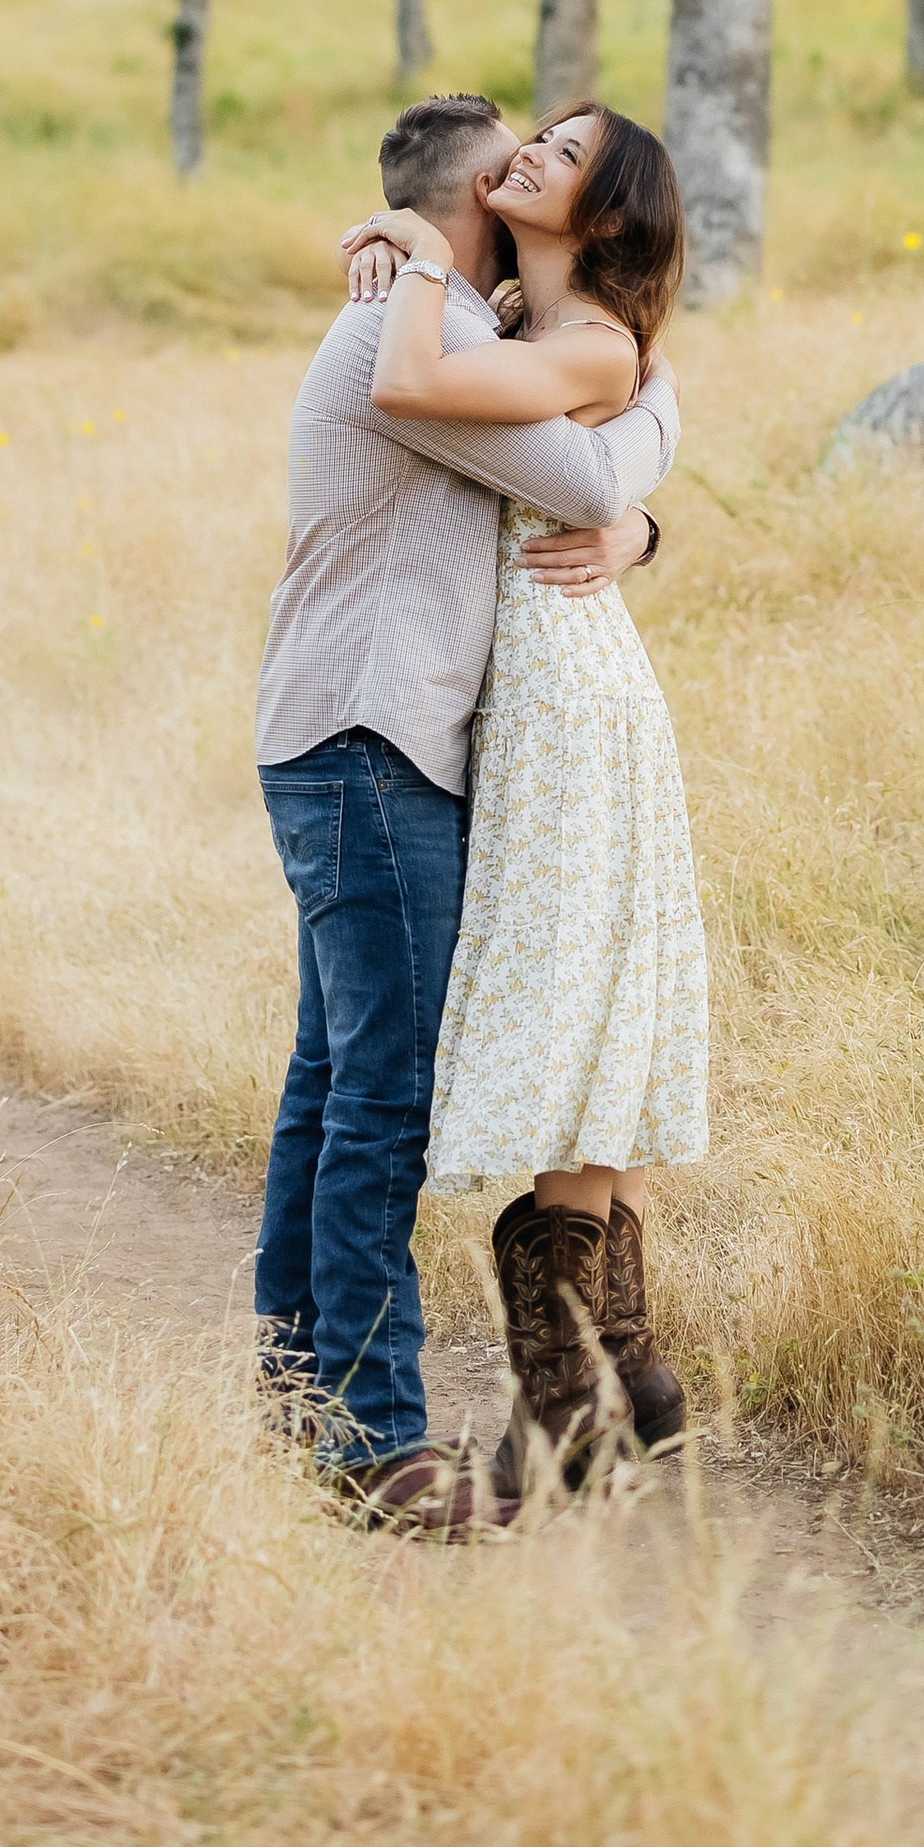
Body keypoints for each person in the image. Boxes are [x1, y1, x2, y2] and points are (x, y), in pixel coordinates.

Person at [254, 92, 678, 1535]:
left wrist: (640, 507)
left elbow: (607, 442)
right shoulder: (412, 335)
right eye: (519, 162)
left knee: (336, 1084)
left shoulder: (447, 317)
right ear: (480, 199)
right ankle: (373, 1441)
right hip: (369, 741)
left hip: (354, 737)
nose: (534, 173)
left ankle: (309, 1396)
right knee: (382, 1097)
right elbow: (584, 468)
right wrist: (636, 491)